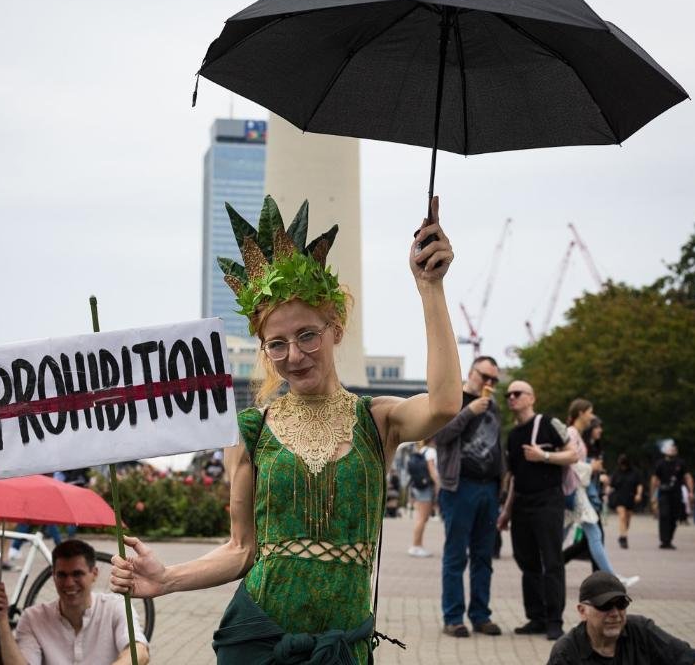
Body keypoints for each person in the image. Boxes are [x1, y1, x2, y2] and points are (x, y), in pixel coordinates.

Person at [109, 195, 461, 664]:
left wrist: (430, 288)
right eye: (277, 344)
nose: (294, 355)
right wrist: (166, 579)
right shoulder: (250, 431)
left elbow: (443, 404)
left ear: (335, 327)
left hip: (341, 646)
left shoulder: (377, 419)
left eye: (307, 336)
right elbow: (241, 550)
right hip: (260, 639)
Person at [497, 380, 577, 641]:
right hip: (522, 503)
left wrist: (544, 457)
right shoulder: (514, 435)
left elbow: (573, 454)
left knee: (552, 561)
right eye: (509, 394)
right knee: (526, 561)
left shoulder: (548, 423)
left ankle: (555, 620)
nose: (512, 398)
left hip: (548, 501)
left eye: (517, 393)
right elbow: (514, 479)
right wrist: (507, 511)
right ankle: (536, 617)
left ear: (532, 398)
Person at [0, 539, 149, 665]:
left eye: (77, 574)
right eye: (62, 575)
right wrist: (2, 621)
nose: (69, 583)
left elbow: (140, 651)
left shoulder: (115, 606)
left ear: (95, 574)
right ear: (53, 575)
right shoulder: (32, 618)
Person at [432, 355, 503, 637]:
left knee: (484, 556)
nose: (489, 383)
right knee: (456, 554)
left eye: (494, 380)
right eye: (484, 376)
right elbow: (440, 436)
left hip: (489, 487)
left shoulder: (494, 406)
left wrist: (503, 484)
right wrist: (469, 410)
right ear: (471, 372)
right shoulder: (453, 400)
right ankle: (453, 617)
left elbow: (499, 445)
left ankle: (481, 615)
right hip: (459, 486)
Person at [547, 571, 695, 665]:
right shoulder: (566, 653)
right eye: (605, 605)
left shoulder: (641, 630)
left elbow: (693, 659)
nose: (615, 613)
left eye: (621, 604)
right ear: (583, 611)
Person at [561, 400, 638, 588]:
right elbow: (568, 462)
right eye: (590, 412)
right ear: (580, 413)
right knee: (590, 534)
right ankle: (611, 579)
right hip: (574, 491)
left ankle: (543, 571)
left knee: (568, 535)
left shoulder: (574, 434)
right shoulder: (571, 433)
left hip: (575, 491)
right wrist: (591, 466)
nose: (592, 416)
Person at [651, 440, 694, 549]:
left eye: (674, 448)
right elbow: (654, 479)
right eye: (670, 448)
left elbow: (687, 477)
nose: (673, 450)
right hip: (664, 493)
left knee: (674, 517)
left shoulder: (681, 463)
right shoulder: (660, 463)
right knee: (664, 515)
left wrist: (691, 491)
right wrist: (653, 495)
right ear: (665, 450)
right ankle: (664, 540)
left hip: (676, 493)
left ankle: (669, 539)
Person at [406, 438, 438, 558]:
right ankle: (416, 546)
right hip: (425, 488)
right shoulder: (430, 451)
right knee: (422, 518)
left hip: (418, 487)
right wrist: (439, 484)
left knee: (420, 517)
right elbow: (432, 471)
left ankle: (416, 545)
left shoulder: (422, 450)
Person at [608, 454, 643, 548]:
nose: (622, 467)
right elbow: (611, 485)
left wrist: (639, 494)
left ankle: (622, 534)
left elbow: (639, 484)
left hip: (631, 497)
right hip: (619, 497)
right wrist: (607, 493)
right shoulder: (616, 472)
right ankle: (624, 539)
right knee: (622, 517)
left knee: (627, 519)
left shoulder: (635, 472)